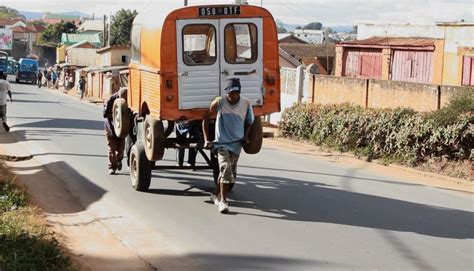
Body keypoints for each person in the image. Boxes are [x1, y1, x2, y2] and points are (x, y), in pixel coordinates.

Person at [203, 78, 254, 213]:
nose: (233, 95)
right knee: (225, 168)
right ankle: (223, 202)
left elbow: (250, 121)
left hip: (236, 144)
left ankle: (215, 194)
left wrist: (246, 135)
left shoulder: (246, 103)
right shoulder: (220, 102)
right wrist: (206, 139)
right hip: (221, 143)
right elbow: (206, 118)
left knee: (229, 175)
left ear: (239, 92)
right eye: (230, 93)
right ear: (226, 92)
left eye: (235, 92)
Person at [103, 88, 127, 175]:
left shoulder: (128, 100)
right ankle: (112, 167)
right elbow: (104, 114)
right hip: (111, 129)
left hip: (122, 129)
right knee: (111, 149)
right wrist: (116, 114)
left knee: (121, 150)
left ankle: (118, 160)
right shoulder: (110, 100)